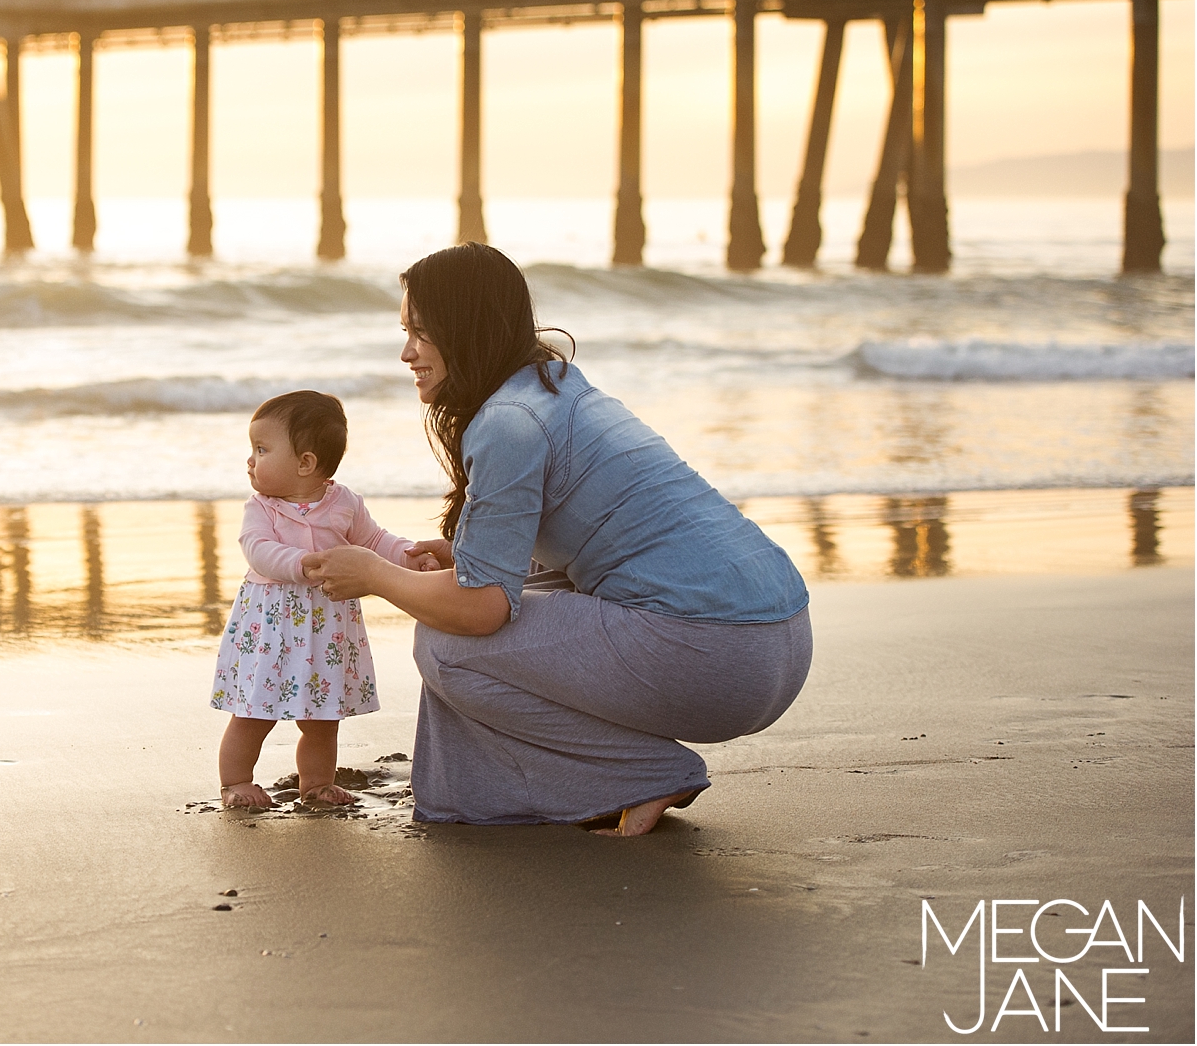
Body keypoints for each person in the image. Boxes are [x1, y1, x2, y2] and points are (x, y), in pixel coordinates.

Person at [301, 244, 812, 836]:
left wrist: (376, 574)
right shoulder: (556, 384)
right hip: (780, 637)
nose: (407, 352)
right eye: (405, 331)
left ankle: (644, 774)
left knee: (445, 643)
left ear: (465, 329)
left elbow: (482, 610)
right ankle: (492, 790)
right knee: (502, 591)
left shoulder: (508, 422)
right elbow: (586, 548)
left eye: (421, 332)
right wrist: (467, 558)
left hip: (718, 654)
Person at [211, 390, 440, 809]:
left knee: (321, 718)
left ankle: (316, 784)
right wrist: (303, 563)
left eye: (261, 449)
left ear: (306, 463)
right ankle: (236, 782)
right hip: (271, 630)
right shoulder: (261, 507)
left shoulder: (344, 503)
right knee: (253, 713)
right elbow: (256, 548)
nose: (250, 460)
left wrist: (410, 557)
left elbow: (374, 541)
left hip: (324, 632)